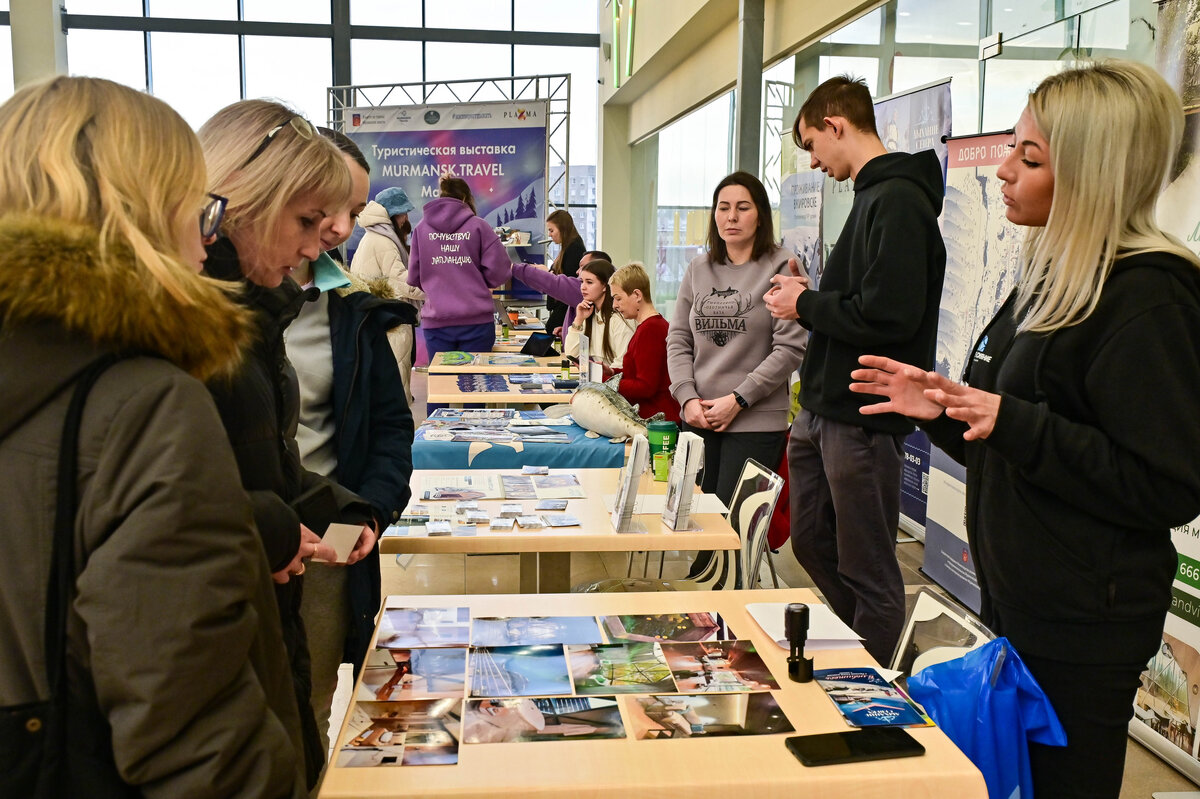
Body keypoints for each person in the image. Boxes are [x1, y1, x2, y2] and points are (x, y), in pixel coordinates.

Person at [848, 60, 1200, 798]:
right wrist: (942, 409)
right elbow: (1012, 442)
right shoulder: (1051, 276)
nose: (1002, 170)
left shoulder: (1148, 296)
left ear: (1091, 173)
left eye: (1029, 156)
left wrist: (1015, 422)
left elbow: (1166, 483)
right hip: (1021, 600)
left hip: (1082, 624)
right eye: (1012, 147)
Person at [0, 77, 304, 796]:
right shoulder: (142, 404)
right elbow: (195, 736)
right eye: (197, 210)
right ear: (138, 212)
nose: (206, 244)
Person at [198, 100, 381, 789]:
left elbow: (263, 459)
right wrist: (273, 523)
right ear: (244, 199)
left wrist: (337, 503)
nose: (322, 243)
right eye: (308, 220)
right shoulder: (201, 320)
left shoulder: (256, 310)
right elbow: (171, 501)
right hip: (222, 627)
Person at [764, 76, 946, 664]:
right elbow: (864, 303)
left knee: (869, 568)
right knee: (813, 542)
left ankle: (876, 692)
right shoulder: (871, 197)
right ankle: (860, 650)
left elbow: (889, 317)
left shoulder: (899, 200)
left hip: (862, 415)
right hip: (822, 409)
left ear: (836, 125)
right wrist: (811, 293)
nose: (814, 163)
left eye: (813, 145)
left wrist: (805, 304)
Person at [286, 128, 415, 758]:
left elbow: (392, 426)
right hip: (242, 542)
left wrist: (370, 508)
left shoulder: (350, 307)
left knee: (311, 701)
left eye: (352, 209)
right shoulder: (220, 301)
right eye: (324, 208)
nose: (338, 227)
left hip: (328, 539)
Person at [667, 171, 806, 509]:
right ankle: (700, 567)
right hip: (697, 416)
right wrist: (686, 398)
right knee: (691, 521)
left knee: (732, 530)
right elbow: (678, 338)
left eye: (743, 207)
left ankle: (725, 567)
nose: (731, 216)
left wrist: (738, 400)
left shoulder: (781, 266)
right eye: (723, 207)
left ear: (760, 216)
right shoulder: (698, 268)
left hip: (755, 422)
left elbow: (790, 349)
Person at [407, 175, 511, 356]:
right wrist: (478, 281)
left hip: (437, 321)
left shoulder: (421, 229)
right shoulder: (479, 227)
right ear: (465, 198)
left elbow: (414, 276)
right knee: (475, 383)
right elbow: (500, 272)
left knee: (443, 383)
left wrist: (438, 288)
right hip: (476, 322)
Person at [350, 185, 425, 401]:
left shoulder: (372, 237)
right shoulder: (384, 242)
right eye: (403, 214)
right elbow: (403, 282)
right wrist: (436, 290)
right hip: (392, 321)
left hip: (379, 318)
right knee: (397, 386)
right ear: (393, 215)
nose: (405, 219)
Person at [513, 257, 633, 372]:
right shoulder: (589, 313)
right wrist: (578, 320)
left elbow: (621, 367)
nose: (583, 287)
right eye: (581, 282)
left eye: (589, 282)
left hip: (610, 385)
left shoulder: (619, 319)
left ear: (604, 286)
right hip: (597, 381)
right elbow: (571, 354)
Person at [609, 262, 680, 422]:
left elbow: (646, 386)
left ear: (637, 295)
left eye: (618, 298)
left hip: (657, 421)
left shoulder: (651, 330)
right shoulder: (651, 326)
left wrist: (607, 383)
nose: (615, 305)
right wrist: (612, 373)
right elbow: (642, 371)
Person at [544, 209, 586, 336]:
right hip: (562, 306)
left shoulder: (574, 249)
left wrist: (548, 274)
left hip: (565, 307)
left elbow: (567, 282)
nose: (550, 235)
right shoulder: (568, 247)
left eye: (552, 230)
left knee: (551, 328)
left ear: (562, 229)